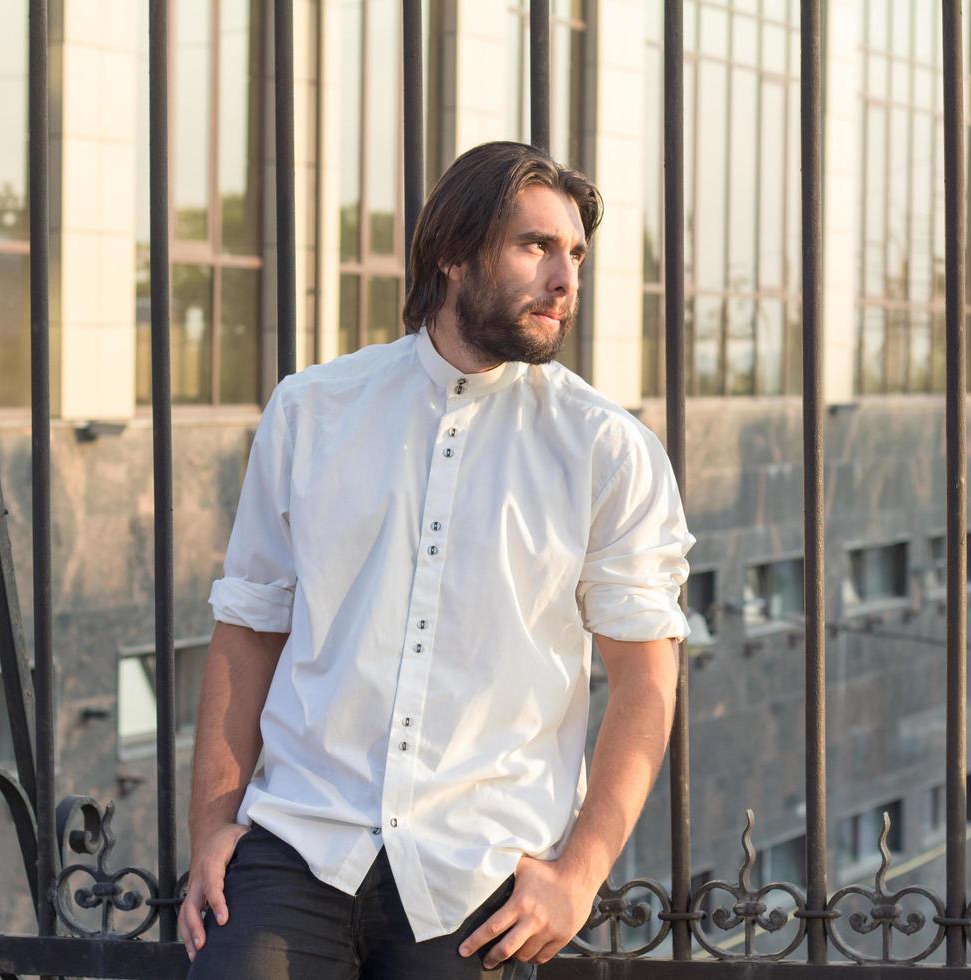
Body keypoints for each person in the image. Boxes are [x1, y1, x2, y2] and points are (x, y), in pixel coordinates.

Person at [179, 140, 694, 978]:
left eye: (575, 255)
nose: (565, 279)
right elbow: (248, 626)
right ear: (453, 254)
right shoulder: (312, 412)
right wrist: (210, 829)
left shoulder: (608, 451)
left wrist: (578, 876)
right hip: (301, 844)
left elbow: (646, 680)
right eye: (536, 247)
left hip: (477, 877)